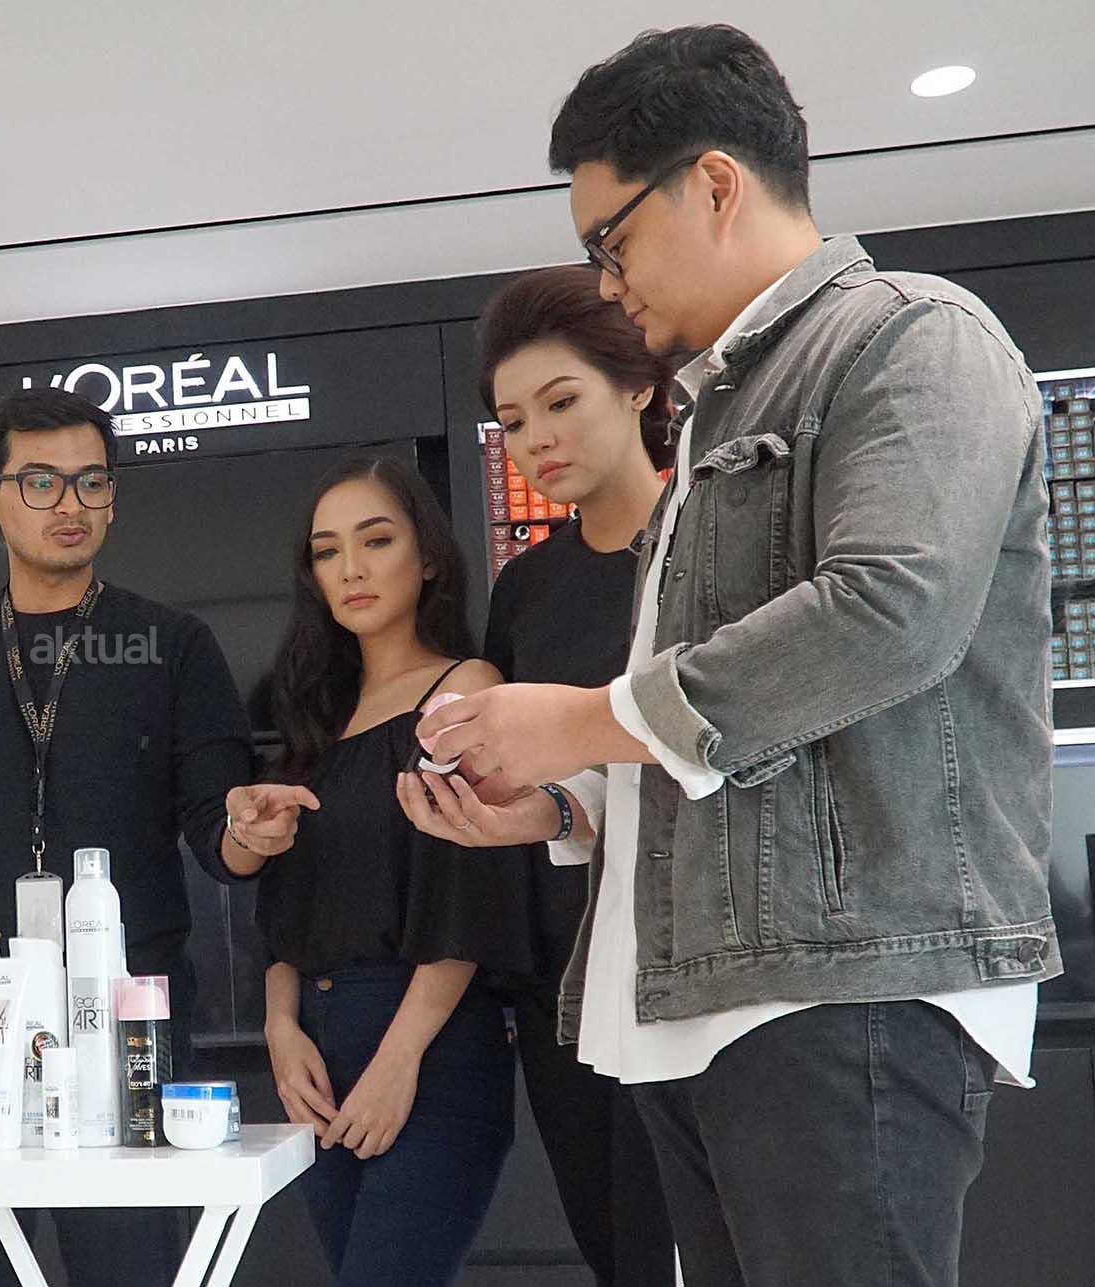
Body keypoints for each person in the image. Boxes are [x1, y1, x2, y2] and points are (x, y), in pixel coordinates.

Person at [410, 25, 1056, 1287]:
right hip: (701, 995)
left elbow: (888, 612)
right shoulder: (716, 409)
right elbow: (736, 752)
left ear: (712, 183)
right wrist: (561, 806)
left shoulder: (911, 336)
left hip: (840, 984)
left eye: (610, 240)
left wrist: (580, 723)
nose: (606, 284)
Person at [0, 388, 291, 1287]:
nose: (70, 504)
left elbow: (219, 835)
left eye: (92, 481)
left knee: (128, 1264)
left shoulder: (171, 644)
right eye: (41, 482)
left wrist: (251, 833)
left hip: (129, 1013)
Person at [402, 265, 679, 1285]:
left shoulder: (704, 550)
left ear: (639, 386)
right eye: (514, 422)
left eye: (560, 403)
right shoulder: (527, 587)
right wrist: (504, 801)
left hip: (695, 964)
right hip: (568, 974)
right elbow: (551, 781)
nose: (537, 441)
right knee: (614, 1250)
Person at [223, 457, 535, 1287]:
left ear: (427, 557)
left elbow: (471, 895)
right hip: (318, 1057)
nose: (351, 568)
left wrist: (400, 1061)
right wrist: (280, 1030)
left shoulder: (466, 689)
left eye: (376, 540)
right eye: (327, 551)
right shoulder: (316, 715)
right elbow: (284, 904)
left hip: (428, 1045)